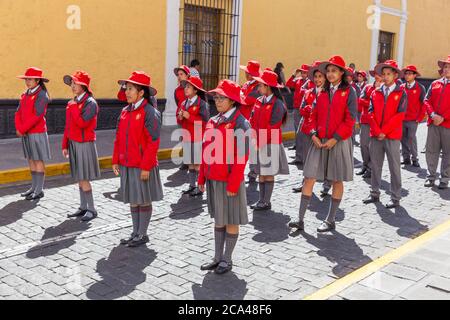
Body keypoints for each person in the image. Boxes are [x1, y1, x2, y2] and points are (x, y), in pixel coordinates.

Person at [289, 56, 357, 232]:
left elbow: (349, 120)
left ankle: (330, 219)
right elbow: (312, 116)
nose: (330, 74)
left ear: (342, 73)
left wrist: (335, 138)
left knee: (336, 180)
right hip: (318, 141)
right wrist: (313, 134)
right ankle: (300, 219)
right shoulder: (321, 92)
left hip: (339, 141)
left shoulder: (350, 92)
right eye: (328, 71)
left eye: (334, 70)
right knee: (309, 177)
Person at [198, 79, 250, 275]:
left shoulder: (241, 123)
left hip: (229, 181)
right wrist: (202, 177)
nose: (218, 101)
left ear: (233, 101)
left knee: (231, 219)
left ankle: (227, 259)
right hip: (213, 178)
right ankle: (217, 257)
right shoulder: (213, 120)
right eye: (216, 97)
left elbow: (241, 158)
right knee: (219, 219)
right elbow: (206, 151)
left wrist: (234, 183)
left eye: (222, 98)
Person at [113, 71, 164, 247]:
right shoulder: (125, 111)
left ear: (141, 92)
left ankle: (142, 234)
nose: (126, 92)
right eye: (126, 89)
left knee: (143, 198)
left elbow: (153, 142)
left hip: (142, 165)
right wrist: (115, 159)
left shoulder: (150, 112)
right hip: (127, 163)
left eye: (131, 89)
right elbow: (119, 137)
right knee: (133, 198)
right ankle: (135, 232)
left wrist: (146, 167)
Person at [363, 60, 407, 209]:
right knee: (375, 165)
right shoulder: (376, 92)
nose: (386, 77)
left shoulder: (401, 93)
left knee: (394, 167)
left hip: (392, 136)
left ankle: (395, 197)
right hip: (376, 135)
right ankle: (374, 192)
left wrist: (384, 131)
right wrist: (377, 130)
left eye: (389, 74)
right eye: (384, 74)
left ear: (395, 75)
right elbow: (370, 113)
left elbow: (400, 115)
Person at [62, 71, 101, 222]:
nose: (72, 86)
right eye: (71, 83)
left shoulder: (91, 103)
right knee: (79, 177)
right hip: (73, 143)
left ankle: (91, 209)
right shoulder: (73, 102)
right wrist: (65, 143)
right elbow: (69, 125)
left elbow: (83, 123)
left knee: (83, 177)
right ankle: (83, 207)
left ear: (84, 86)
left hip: (85, 144)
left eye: (75, 83)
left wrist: (72, 108)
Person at [250, 69, 290, 211]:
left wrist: (259, 142)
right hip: (258, 142)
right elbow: (252, 120)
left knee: (268, 173)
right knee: (261, 172)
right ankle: (261, 200)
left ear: (268, 86)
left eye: (260, 85)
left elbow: (273, 126)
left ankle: (266, 201)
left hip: (270, 142)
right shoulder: (259, 100)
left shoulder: (278, 104)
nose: (258, 88)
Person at [291, 61, 330, 195]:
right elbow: (301, 109)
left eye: (320, 76)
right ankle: (305, 183)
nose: (318, 79)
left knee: (325, 159)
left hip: (323, 130)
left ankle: (327, 184)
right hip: (308, 130)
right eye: (316, 76)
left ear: (325, 77)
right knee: (308, 159)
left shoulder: (329, 93)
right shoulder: (308, 92)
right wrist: (310, 109)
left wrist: (313, 110)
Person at [15, 67, 51, 201]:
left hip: (37, 132)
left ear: (37, 81)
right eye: (26, 79)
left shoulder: (42, 95)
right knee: (30, 159)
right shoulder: (25, 94)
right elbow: (18, 112)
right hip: (26, 132)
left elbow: (37, 116)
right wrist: (19, 127)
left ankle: (39, 190)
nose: (27, 82)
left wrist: (22, 129)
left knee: (38, 159)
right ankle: (33, 187)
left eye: (30, 79)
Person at [177, 76, 210, 197]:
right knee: (190, 163)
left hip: (197, 137)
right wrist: (180, 117)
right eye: (185, 86)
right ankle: (192, 186)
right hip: (187, 137)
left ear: (196, 90)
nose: (186, 89)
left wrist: (189, 116)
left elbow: (205, 122)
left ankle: (200, 187)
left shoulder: (202, 104)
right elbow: (179, 119)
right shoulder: (183, 103)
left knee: (197, 164)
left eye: (189, 87)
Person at [423, 55, 450, 189]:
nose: (447, 69)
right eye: (445, 67)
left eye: (449, 67)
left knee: (448, 153)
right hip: (433, 123)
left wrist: (443, 117)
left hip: (448, 125)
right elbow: (426, 100)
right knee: (431, 151)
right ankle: (431, 176)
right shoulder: (435, 83)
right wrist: (433, 115)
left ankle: (444, 178)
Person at [356, 70, 383, 179]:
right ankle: (365, 164)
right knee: (364, 145)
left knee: (374, 147)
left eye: (379, 75)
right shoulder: (367, 87)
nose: (377, 76)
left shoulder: (384, 89)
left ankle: (371, 168)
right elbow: (360, 100)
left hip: (377, 122)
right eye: (376, 74)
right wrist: (373, 103)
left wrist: (370, 102)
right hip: (366, 120)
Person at [240, 60, 262, 183]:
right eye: (247, 72)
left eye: (249, 73)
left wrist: (240, 95)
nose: (247, 75)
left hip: (252, 120)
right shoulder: (247, 84)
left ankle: (254, 171)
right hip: (243, 118)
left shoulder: (258, 86)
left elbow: (247, 100)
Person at [400, 65, 426, 168]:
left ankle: (415, 159)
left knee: (411, 139)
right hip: (402, 119)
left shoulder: (420, 87)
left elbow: (424, 103)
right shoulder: (401, 87)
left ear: (415, 75)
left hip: (413, 119)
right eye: (406, 73)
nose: (407, 75)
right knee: (403, 139)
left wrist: (420, 118)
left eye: (410, 74)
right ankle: (406, 158)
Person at [174, 65, 191, 171]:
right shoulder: (177, 90)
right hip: (181, 119)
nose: (179, 77)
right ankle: (186, 161)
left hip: (191, 119)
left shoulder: (192, 89)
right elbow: (178, 103)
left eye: (181, 74)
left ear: (188, 75)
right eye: (178, 75)